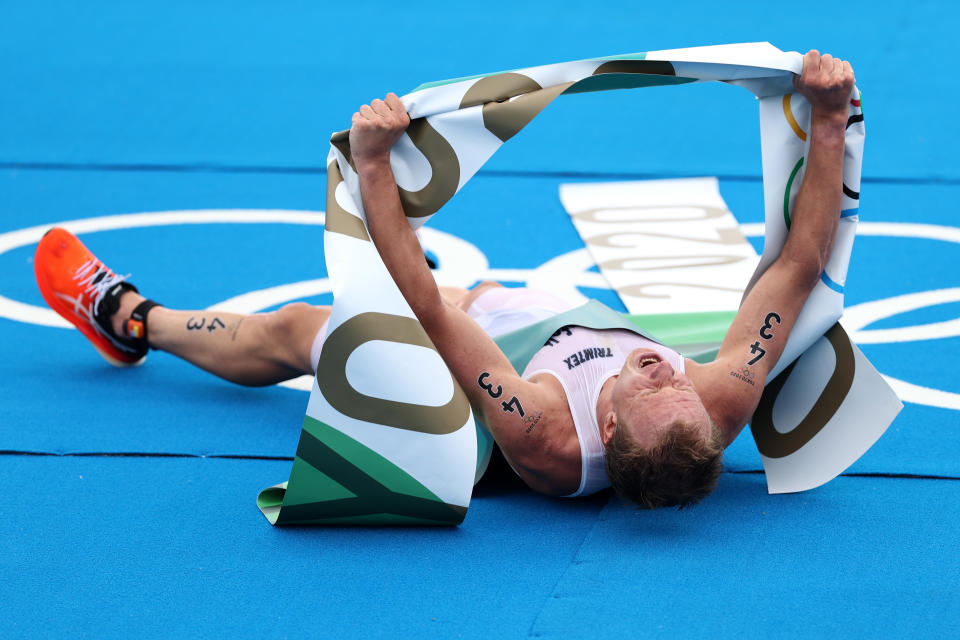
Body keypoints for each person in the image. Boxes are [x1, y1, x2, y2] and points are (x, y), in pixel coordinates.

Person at [34, 50, 855, 508]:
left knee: (299, 328)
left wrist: (374, 169)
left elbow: (424, 307)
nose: (662, 364)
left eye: (650, 382)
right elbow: (797, 265)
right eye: (672, 375)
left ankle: (127, 317)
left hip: (474, 379)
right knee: (457, 288)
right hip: (550, 319)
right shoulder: (714, 402)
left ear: (608, 427)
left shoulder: (540, 428)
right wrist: (824, 121)